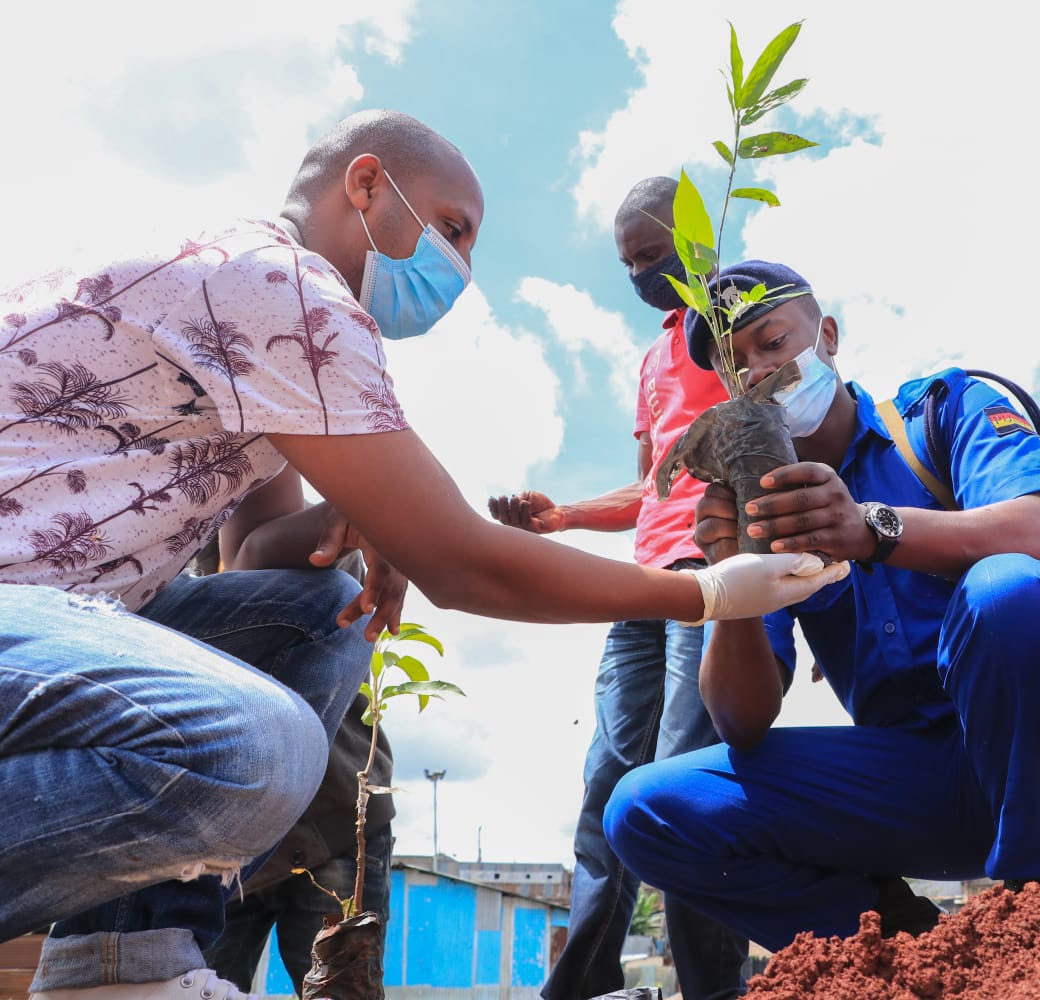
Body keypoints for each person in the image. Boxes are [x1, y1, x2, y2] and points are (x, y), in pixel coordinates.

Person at [0, 111, 845, 1000]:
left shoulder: (267, 352)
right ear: (364, 186)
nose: (461, 270)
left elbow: (252, 555)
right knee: (259, 750)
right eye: (451, 229)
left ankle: (122, 967)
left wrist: (360, 515)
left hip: (65, 626)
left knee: (319, 613)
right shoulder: (278, 287)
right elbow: (462, 564)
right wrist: (707, 592)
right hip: (26, 611)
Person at [601, 260, 1040, 952]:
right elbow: (741, 719)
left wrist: (871, 530)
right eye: (736, 368)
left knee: (1006, 590)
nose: (758, 371)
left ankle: (1035, 905)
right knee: (645, 810)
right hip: (915, 784)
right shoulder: (764, 510)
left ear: (826, 334)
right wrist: (731, 580)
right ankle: (907, 948)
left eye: (772, 341)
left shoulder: (942, 411)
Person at [490, 177, 748, 1000]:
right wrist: (563, 516)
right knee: (607, 785)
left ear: (698, 237)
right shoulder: (652, 358)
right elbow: (652, 487)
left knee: (681, 779)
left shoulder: (744, 315)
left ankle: (716, 988)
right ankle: (583, 987)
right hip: (641, 587)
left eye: (653, 254)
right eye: (629, 262)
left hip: (713, 579)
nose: (641, 273)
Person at [189, 528, 396, 995]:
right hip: (224, 847)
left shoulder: (318, 550)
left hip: (331, 826)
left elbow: (338, 545)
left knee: (340, 990)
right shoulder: (179, 564)